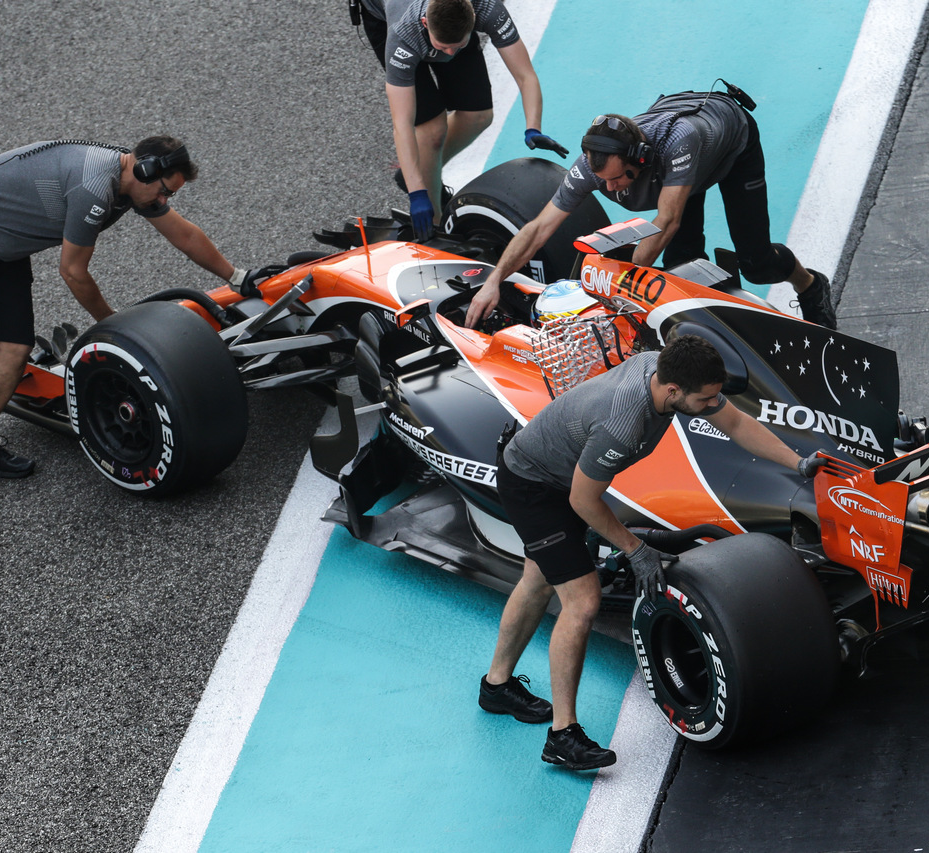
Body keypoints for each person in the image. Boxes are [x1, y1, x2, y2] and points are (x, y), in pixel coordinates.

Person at [478, 334, 820, 770]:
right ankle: (562, 736)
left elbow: (735, 425)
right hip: (534, 484)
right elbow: (584, 502)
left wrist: (798, 463)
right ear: (673, 392)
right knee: (582, 602)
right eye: (705, 400)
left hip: (563, 474)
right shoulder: (624, 422)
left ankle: (496, 686)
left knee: (538, 579)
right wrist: (635, 549)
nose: (711, 406)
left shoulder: (674, 371)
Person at [0, 136, 256, 478]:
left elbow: (185, 236)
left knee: (15, 347)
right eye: (165, 190)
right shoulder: (93, 186)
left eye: (171, 194)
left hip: (2, 251)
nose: (165, 199)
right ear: (145, 170)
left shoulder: (131, 181)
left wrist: (236, 276)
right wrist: (117, 327)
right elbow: (73, 272)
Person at [464, 87, 837, 330]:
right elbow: (538, 228)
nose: (610, 190)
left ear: (639, 160)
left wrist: (616, 296)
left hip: (731, 148)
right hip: (676, 176)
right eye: (604, 183)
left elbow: (667, 219)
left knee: (755, 263)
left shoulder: (681, 141)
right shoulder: (594, 165)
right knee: (682, 266)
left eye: (618, 180)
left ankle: (811, 285)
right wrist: (494, 282)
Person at [354, 0, 565, 238]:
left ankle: (420, 172)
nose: (449, 54)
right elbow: (402, 124)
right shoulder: (403, 34)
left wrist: (533, 128)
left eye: (457, 45)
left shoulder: (487, 8)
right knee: (431, 129)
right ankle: (435, 221)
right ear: (425, 23)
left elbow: (525, 75)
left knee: (478, 116)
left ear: (472, 18)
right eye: (443, 47)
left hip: (444, 25)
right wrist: (417, 194)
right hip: (391, 18)